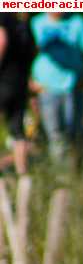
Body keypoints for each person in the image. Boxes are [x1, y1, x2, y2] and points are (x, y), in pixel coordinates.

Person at [30, 12, 83, 167]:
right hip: (46, 88)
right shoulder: (36, 23)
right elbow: (26, 53)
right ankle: (62, 176)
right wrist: (30, 82)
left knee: (75, 132)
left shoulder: (77, 22)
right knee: (55, 134)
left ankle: (81, 170)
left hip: (73, 87)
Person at [0, 13, 35, 175]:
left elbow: (2, 41)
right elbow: (33, 52)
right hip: (20, 84)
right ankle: (23, 174)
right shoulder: (24, 24)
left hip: (3, 82)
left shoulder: (3, 18)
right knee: (18, 131)